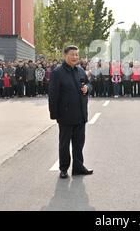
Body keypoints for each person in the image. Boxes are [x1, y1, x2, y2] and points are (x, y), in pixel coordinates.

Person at [48, 45, 93, 179]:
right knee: (64, 144)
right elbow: (53, 95)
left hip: (80, 113)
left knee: (79, 143)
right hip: (65, 115)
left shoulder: (80, 71)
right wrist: (54, 115)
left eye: (76, 55)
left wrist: (87, 88)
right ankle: (63, 169)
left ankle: (78, 167)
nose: (75, 57)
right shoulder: (57, 72)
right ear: (65, 55)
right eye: (72, 54)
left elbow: (89, 84)